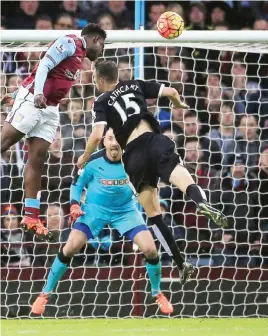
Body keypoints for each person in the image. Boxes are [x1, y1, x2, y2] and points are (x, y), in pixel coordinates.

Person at [78, 60, 228, 274]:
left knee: (154, 215)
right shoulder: (135, 84)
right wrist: (178, 104)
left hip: (132, 157)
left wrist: (84, 157)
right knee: (183, 178)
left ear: (101, 80)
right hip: (154, 141)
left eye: (94, 79)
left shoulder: (100, 101)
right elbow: (171, 91)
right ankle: (201, 201)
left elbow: (95, 135)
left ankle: (180, 263)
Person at [31, 129, 173, 316]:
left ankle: (157, 293)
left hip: (125, 211)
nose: (114, 143)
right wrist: (74, 204)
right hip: (94, 210)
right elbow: (77, 184)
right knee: (71, 246)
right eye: (110, 139)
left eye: (118, 139)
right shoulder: (92, 161)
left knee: (151, 249)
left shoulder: (135, 160)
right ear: (104, 141)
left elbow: (147, 184)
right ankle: (44, 294)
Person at [1, 24, 106, 241]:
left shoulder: (79, 57)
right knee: (3, 143)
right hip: (34, 100)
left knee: (37, 159)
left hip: (51, 108)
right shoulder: (69, 42)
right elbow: (43, 66)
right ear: (95, 39)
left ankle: (31, 216)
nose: (102, 50)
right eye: (102, 44)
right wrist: (36, 93)